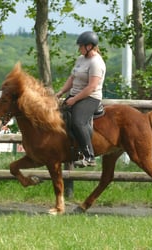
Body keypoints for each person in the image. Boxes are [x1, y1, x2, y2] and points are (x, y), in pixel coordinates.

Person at [56, 31, 106, 167]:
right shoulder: (81, 59)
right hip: (76, 95)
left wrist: (74, 99)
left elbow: (92, 87)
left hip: (90, 97)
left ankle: (89, 156)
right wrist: (61, 92)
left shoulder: (96, 63)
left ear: (89, 46)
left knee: (78, 122)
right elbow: (72, 78)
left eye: (81, 46)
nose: (79, 49)